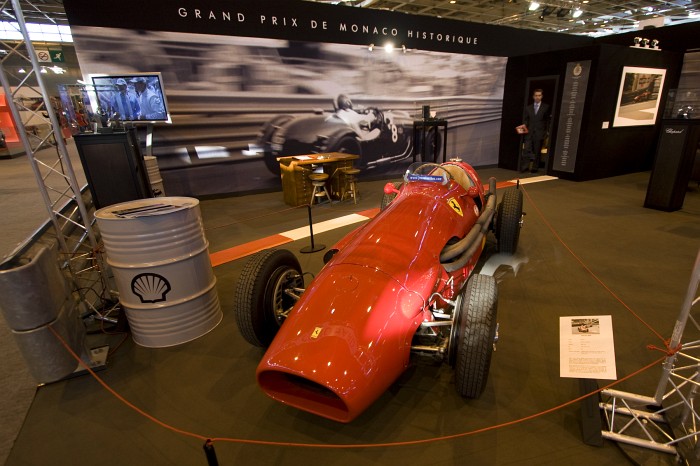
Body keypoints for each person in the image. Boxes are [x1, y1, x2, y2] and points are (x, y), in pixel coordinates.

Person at [521, 88, 550, 173]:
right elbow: (525, 120)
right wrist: (523, 128)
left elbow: (547, 121)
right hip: (529, 133)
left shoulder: (546, 107)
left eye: (539, 95)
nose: (537, 97)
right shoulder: (528, 108)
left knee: (537, 151)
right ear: (533, 97)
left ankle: (535, 168)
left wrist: (546, 132)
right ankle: (525, 167)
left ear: (542, 96)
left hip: (540, 132)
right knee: (526, 149)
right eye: (536, 95)